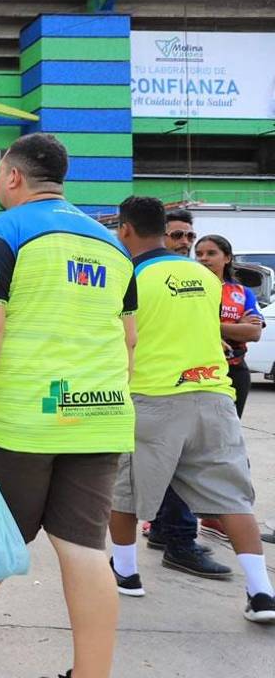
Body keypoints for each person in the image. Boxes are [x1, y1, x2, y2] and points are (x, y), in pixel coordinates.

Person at [0, 134, 136, 678]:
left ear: (13, 176)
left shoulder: (2, 233)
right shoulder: (112, 246)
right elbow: (128, 339)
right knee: (84, 547)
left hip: (25, 418)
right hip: (101, 414)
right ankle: (91, 673)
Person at [108, 196, 274, 623]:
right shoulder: (203, 276)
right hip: (213, 394)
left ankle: (126, 574)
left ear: (125, 229)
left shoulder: (129, 275)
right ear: (165, 230)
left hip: (152, 396)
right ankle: (261, 592)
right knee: (233, 497)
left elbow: (123, 337)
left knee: (125, 491)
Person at [145, 210, 231, 575]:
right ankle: (180, 539)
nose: (185, 243)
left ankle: (166, 531)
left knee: (181, 466)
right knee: (178, 467)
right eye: (177, 235)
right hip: (160, 389)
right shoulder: (144, 276)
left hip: (205, 384)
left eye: (189, 236)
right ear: (159, 237)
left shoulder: (206, 283)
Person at [195, 233, 265, 546]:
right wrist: (227, 329)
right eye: (200, 253)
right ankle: (169, 518)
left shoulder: (240, 292)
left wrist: (212, 326)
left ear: (227, 257)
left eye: (211, 253)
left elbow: (254, 332)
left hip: (235, 373)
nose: (204, 258)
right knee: (193, 445)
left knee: (227, 443)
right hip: (199, 372)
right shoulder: (193, 288)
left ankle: (218, 516)